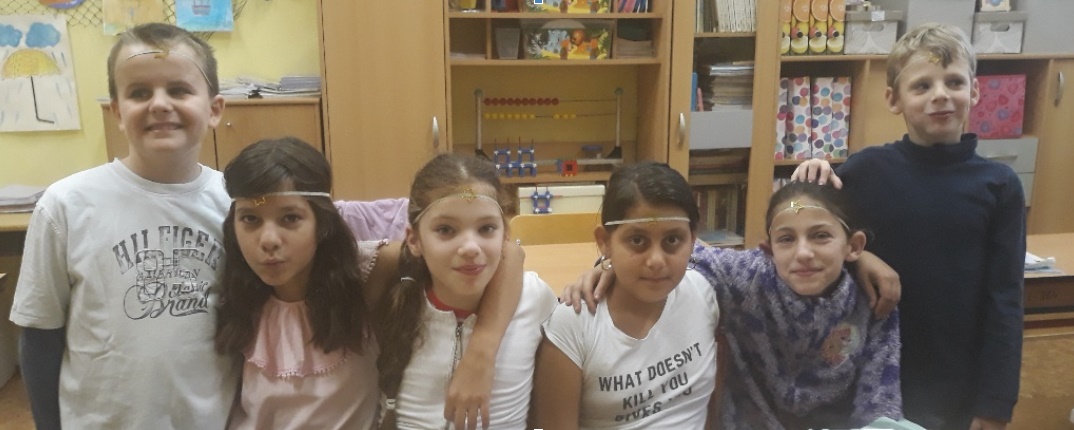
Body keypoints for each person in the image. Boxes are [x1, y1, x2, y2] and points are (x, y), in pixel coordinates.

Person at [791, 22, 1025, 430]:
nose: (940, 95)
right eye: (922, 86)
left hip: (955, 383)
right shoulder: (864, 171)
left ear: (974, 90)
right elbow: (800, 238)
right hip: (866, 377)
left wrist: (995, 405)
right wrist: (809, 182)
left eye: (954, 82)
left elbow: (1005, 300)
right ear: (893, 98)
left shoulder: (1000, 185)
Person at [9, 23, 233, 429]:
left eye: (179, 90)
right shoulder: (65, 206)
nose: (159, 104)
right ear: (116, 112)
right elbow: (40, 335)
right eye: (139, 93)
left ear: (214, 109)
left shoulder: (237, 207)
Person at [216, 138, 527, 430]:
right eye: (250, 219)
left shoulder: (363, 273)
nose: (269, 240)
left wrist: (481, 352)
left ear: (322, 222)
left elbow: (509, 253)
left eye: (290, 218)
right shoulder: (232, 288)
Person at [373, 153, 557, 429]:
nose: (470, 247)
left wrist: (604, 272)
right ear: (414, 239)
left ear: (505, 235)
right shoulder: (392, 298)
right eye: (446, 230)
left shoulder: (534, 297)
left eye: (486, 228)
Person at [531, 161, 720, 429]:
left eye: (672, 240)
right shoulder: (573, 324)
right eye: (637, 241)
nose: (656, 261)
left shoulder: (706, 293)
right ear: (604, 242)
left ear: (693, 240)